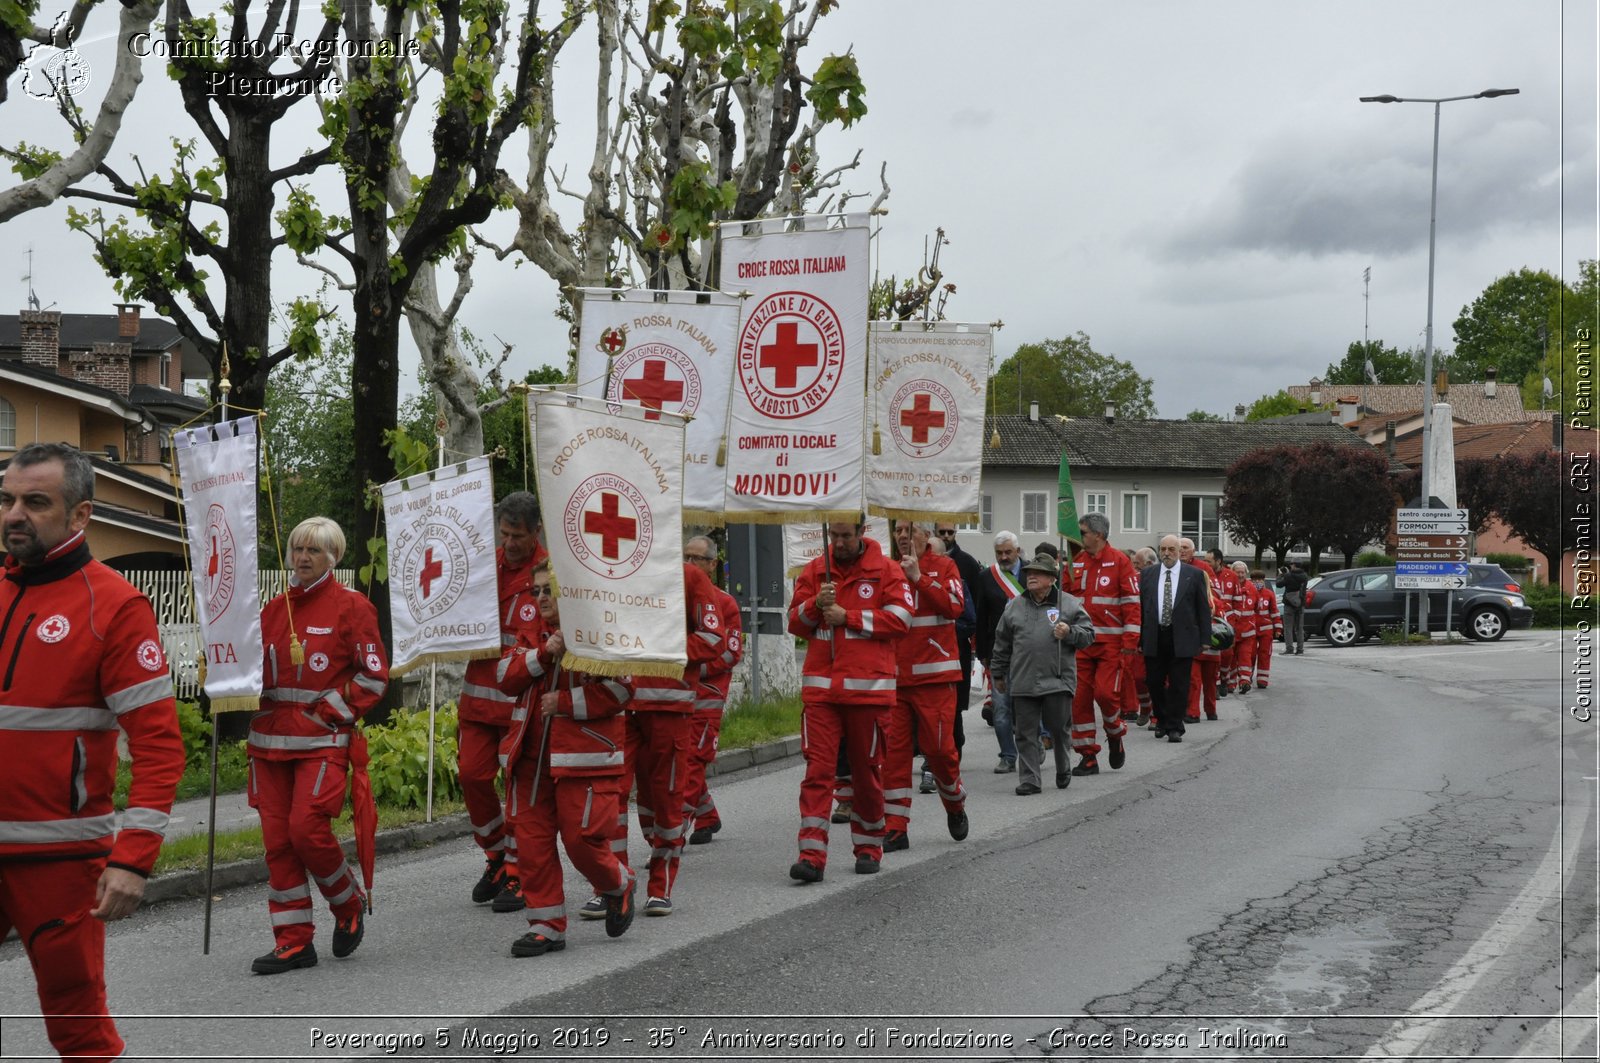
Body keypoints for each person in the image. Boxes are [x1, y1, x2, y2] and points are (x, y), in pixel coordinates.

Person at [0, 443, 184, 1061]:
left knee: (79, 1034)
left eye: (35, 502)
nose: (14, 514)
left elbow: (160, 748)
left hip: (60, 862)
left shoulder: (116, 607)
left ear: (80, 516)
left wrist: (133, 859)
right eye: (7, 500)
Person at [250, 516, 389, 974]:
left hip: (322, 742)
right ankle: (293, 942)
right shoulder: (272, 610)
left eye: (313, 551)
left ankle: (346, 902)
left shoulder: (352, 607)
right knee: (278, 844)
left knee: (306, 830)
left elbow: (372, 677)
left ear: (334, 557)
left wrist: (325, 711)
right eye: (297, 549)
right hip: (268, 745)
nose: (302, 558)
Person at [495, 562, 636, 955]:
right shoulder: (530, 633)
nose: (540, 598)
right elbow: (505, 677)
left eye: (548, 590)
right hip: (531, 761)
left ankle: (618, 884)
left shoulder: (601, 631)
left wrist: (567, 703)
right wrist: (544, 653)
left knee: (582, 843)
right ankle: (546, 925)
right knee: (532, 846)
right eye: (536, 591)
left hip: (584, 760)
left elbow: (624, 690)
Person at [786, 519, 912, 882]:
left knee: (867, 773)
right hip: (822, 694)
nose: (838, 542)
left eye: (845, 536)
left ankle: (869, 845)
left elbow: (901, 619)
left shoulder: (885, 570)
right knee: (817, 774)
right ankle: (811, 855)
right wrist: (814, 605)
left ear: (860, 533)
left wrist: (849, 617)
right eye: (833, 536)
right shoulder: (814, 570)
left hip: (868, 693)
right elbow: (795, 622)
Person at [619, 560, 726, 916]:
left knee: (667, 799)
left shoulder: (691, 577)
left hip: (669, 708)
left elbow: (712, 639)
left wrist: (663, 644)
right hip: (617, 704)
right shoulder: (617, 572)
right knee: (610, 796)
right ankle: (611, 883)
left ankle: (660, 884)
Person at [458, 492, 548, 912]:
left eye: (519, 535)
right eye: (505, 533)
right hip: (478, 699)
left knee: (518, 793)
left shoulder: (550, 573)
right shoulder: (481, 565)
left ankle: (518, 873)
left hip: (522, 702)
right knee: (472, 776)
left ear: (536, 532)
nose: (510, 542)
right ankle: (496, 854)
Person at [883, 522, 969, 852]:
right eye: (898, 531)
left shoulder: (944, 565)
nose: (903, 536)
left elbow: (955, 607)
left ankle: (955, 803)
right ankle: (895, 826)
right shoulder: (888, 569)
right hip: (895, 679)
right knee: (893, 756)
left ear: (925, 533)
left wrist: (919, 577)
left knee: (938, 750)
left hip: (935, 678)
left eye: (910, 529)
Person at [989, 553, 1095, 794]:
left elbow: (1089, 636)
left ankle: (1063, 766)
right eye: (1029, 573)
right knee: (1025, 733)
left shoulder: (1068, 604)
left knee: (1058, 729)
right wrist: (998, 673)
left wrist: (1069, 632)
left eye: (1037, 573)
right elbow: (1002, 641)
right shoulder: (1015, 605)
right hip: (1023, 679)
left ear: (1051, 578)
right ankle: (1030, 780)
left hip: (1057, 679)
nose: (1031, 576)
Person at [1065, 513, 1139, 775]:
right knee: (1079, 701)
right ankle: (1087, 756)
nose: (1079, 536)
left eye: (1082, 532)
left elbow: (1131, 604)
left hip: (1111, 645)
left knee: (1106, 695)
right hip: (1081, 645)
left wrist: (1130, 642)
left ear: (1098, 534)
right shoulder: (1076, 563)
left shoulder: (1120, 561)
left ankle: (1115, 732)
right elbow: (1062, 599)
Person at [682, 536, 744, 845]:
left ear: (712, 564)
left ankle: (673, 830)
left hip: (707, 695)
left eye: (697, 559)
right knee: (681, 758)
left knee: (694, 758)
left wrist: (691, 670)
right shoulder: (675, 597)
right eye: (686, 558)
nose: (690, 565)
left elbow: (731, 652)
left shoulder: (725, 602)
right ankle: (706, 814)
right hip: (677, 693)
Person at [1139, 535, 1211, 743]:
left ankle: (1175, 726)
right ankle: (1161, 718)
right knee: (1154, 682)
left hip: (1183, 636)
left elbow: (1202, 609)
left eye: (1171, 549)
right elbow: (1141, 607)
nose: (1167, 553)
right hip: (1154, 635)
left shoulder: (1195, 575)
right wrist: (1137, 637)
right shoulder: (1147, 575)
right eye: (1163, 549)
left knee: (1180, 684)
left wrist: (1205, 638)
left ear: (1180, 552)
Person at [974, 531, 1025, 773]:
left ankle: (1030, 750)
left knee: (1027, 707)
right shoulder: (986, 577)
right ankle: (1007, 755)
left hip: (1028, 653)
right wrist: (983, 653)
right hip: (998, 653)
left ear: (1017, 551)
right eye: (999, 553)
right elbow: (981, 617)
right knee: (1002, 708)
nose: (1004, 557)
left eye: (1008, 552)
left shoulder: (1032, 573)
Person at [935, 523, 982, 761]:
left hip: (957, 644)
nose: (945, 536)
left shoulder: (968, 563)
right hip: (929, 649)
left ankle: (955, 746)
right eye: (941, 532)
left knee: (954, 704)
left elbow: (974, 607)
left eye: (949, 532)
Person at [1180, 538, 1220, 723]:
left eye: (1185, 548)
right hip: (1192, 639)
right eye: (1179, 548)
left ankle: (1211, 710)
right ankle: (1193, 712)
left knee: (1210, 680)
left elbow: (1219, 601)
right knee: (1193, 680)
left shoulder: (1204, 569)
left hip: (1210, 640)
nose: (1181, 551)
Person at [1126, 547, 1157, 725]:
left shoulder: (1164, 581)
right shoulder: (1135, 581)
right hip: (1140, 635)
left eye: (1137, 565)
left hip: (1159, 635)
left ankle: (1156, 716)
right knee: (1138, 676)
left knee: (1158, 678)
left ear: (1149, 564)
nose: (1134, 568)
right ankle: (1145, 706)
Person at [1208, 547, 1240, 700]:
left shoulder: (1232, 576)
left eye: (1209, 561)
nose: (1206, 564)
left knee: (1227, 654)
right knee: (1213, 655)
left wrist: (1234, 618)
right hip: (1212, 621)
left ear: (1218, 561)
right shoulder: (1205, 575)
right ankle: (1214, 685)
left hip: (1228, 622)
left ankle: (1225, 678)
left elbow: (1238, 600)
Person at [1230, 562, 1259, 694]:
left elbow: (1257, 607)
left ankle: (1245, 681)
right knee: (1230, 658)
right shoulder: (1229, 587)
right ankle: (1230, 683)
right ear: (1233, 572)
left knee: (1245, 657)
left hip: (1247, 632)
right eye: (1238, 572)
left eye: (1242, 572)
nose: (1240, 575)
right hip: (1232, 631)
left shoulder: (1252, 588)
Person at [1251, 569, 1282, 687]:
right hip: (1251, 628)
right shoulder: (1249, 592)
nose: (1257, 582)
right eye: (1254, 580)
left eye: (1259, 579)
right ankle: (1246, 677)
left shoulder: (1269, 594)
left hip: (1266, 629)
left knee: (1265, 654)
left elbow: (1274, 611)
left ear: (1263, 581)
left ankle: (1262, 679)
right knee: (1250, 654)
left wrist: (1278, 628)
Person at [1277, 561, 1309, 654]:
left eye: (1291, 564)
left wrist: (1280, 575)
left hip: (1289, 604)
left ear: (1294, 565)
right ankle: (1300, 649)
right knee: (1299, 628)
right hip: (1300, 603)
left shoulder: (1288, 576)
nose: (1290, 566)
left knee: (1288, 627)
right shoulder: (1304, 576)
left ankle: (1289, 649)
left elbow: (1279, 584)